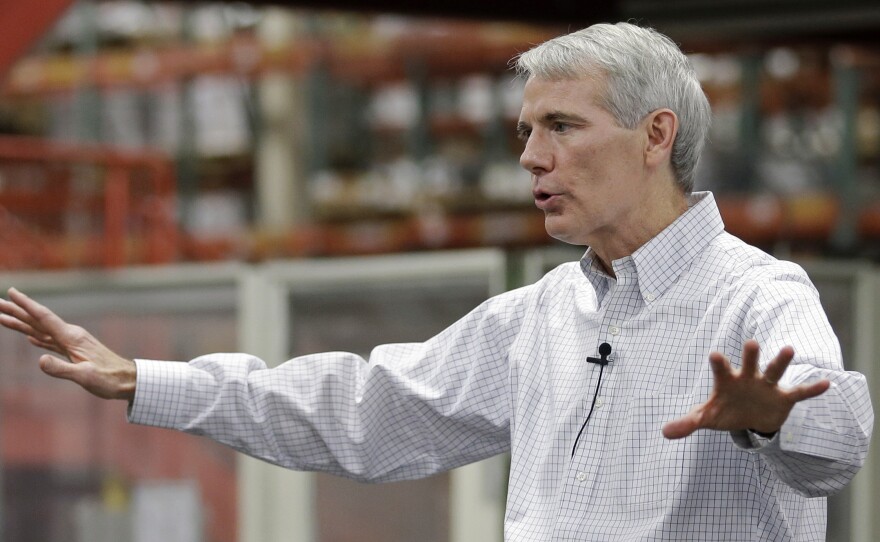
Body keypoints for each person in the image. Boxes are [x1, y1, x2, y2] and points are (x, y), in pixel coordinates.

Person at [0, 22, 873, 541]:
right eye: (527, 131)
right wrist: (143, 381)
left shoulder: (755, 297)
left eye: (563, 126)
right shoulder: (539, 318)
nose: (532, 157)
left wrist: (777, 416)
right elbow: (361, 412)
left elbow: (840, 438)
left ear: (656, 136)